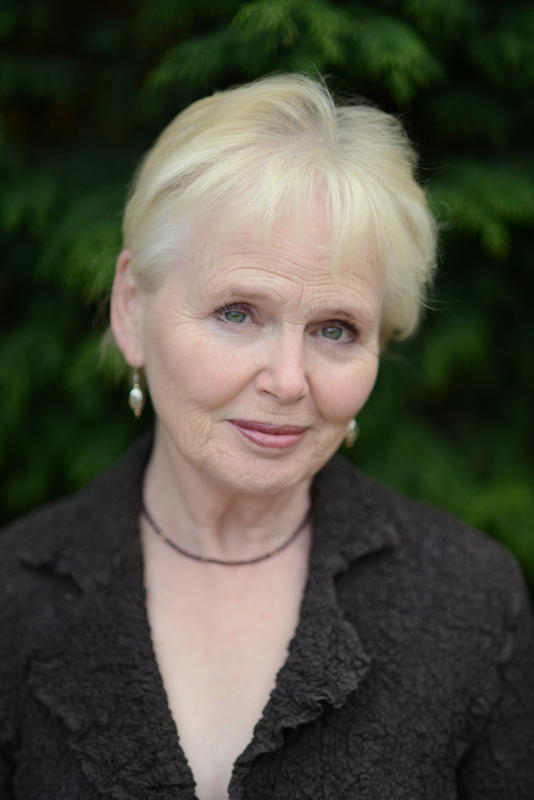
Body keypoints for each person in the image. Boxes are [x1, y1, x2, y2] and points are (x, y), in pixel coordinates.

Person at [1, 74, 532, 800]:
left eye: (336, 329)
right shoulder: (13, 597)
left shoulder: (470, 598)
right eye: (237, 312)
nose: (288, 380)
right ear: (131, 310)